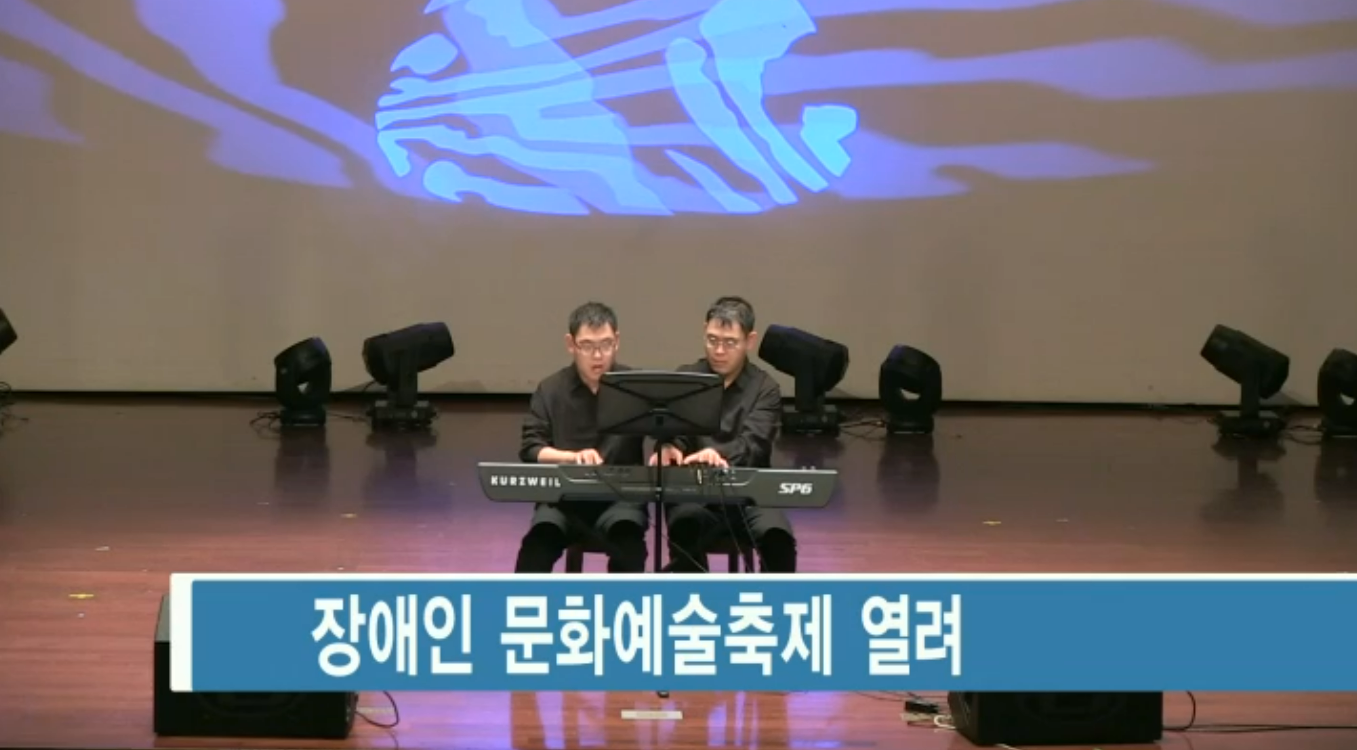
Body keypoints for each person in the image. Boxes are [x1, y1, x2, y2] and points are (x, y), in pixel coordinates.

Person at [656, 296, 798, 573]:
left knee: (777, 538)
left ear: (750, 340)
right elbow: (676, 433)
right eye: (712, 340)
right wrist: (669, 446)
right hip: (695, 495)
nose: (719, 350)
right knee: (685, 524)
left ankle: (773, 599)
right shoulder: (685, 379)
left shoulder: (765, 388)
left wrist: (718, 455)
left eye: (730, 342)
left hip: (749, 497)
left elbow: (755, 445)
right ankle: (696, 597)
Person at [514, 302, 649, 573]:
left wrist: (668, 447)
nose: (597, 355)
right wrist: (571, 458)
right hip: (562, 501)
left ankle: (619, 603)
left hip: (620, 500)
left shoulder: (636, 388)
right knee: (535, 548)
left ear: (617, 341)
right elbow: (531, 448)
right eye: (587, 346)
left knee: (630, 548)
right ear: (571, 344)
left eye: (606, 344)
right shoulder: (551, 389)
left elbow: (663, 432)